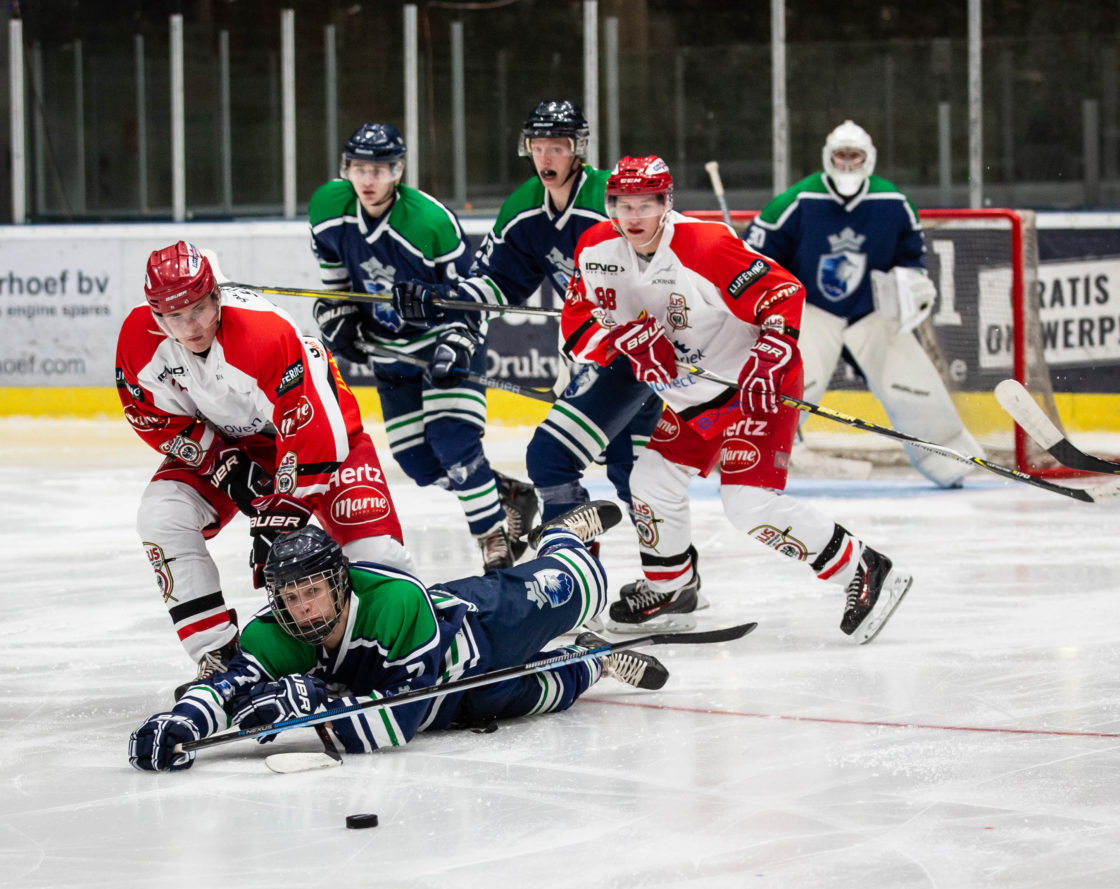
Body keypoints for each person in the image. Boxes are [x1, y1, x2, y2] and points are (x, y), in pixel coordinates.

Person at [561, 156, 914, 643]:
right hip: (692, 399)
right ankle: (671, 589)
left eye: (646, 204)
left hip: (754, 389)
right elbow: (576, 326)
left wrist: (770, 354)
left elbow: (783, 293)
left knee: (748, 503)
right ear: (610, 206)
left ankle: (865, 568)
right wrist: (624, 344)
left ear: (667, 203)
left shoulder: (705, 244)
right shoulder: (595, 249)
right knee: (652, 480)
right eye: (624, 205)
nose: (634, 216)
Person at [127, 502, 670, 771]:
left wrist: (308, 709)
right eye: (290, 598)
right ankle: (595, 661)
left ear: (339, 581)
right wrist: (182, 721)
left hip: (478, 633)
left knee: (580, 587)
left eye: (312, 591)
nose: (302, 608)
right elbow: (229, 687)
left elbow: (401, 716)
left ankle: (559, 538)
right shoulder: (276, 632)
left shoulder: (394, 600)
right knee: (547, 692)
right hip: (455, 705)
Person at [115, 240, 414, 695]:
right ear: (157, 316)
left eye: (199, 309)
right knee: (162, 514)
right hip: (238, 443)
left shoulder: (263, 331)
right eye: (175, 317)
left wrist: (285, 512)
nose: (191, 327)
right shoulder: (138, 341)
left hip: (325, 436)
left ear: (216, 295)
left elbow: (313, 426)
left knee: (378, 557)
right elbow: (153, 417)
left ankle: (403, 646)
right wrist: (221, 461)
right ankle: (218, 654)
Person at [391, 100, 663, 542]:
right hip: (585, 350)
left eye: (557, 147)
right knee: (624, 470)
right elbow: (497, 282)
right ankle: (647, 568)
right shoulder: (524, 207)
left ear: (577, 149)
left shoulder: (609, 199)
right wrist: (445, 303)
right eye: (538, 147)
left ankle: (598, 565)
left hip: (638, 350)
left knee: (570, 460)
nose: (546, 157)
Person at [308, 122, 536, 571]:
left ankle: (493, 539)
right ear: (346, 169)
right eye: (360, 169)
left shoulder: (431, 223)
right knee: (418, 463)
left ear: (398, 171)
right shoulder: (328, 208)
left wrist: (455, 343)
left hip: (443, 342)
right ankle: (505, 493)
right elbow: (337, 287)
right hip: (389, 354)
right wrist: (337, 317)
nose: (369, 180)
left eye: (379, 170)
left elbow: (470, 299)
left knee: (454, 442)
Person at [744, 120, 982, 487]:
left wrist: (912, 281)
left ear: (868, 158)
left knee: (913, 385)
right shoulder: (796, 201)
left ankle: (949, 463)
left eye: (854, 155)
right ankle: (750, 455)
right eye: (840, 155)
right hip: (811, 310)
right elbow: (757, 255)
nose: (847, 163)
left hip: (874, 311)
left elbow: (912, 256)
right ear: (828, 157)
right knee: (790, 385)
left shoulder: (893, 202)